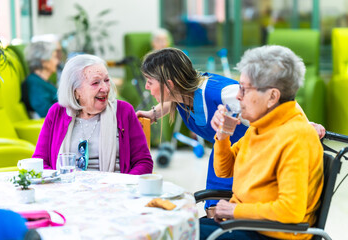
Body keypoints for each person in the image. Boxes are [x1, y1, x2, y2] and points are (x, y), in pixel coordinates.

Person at [136, 47, 325, 216]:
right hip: (225, 152)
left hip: (252, 159)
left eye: (149, 82)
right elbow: (171, 102)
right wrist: (153, 114)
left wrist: (305, 124)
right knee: (214, 212)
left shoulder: (224, 93)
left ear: (169, 84)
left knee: (227, 214)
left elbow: (282, 100)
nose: (146, 87)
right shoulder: (181, 95)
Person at [200, 45, 324, 240]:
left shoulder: (297, 136)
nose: (238, 96)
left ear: (272, 96)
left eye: (244, 89)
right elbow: (224, 171)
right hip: (243, 224)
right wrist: (223, 137)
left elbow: (290, 211)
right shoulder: (259, 128)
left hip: (271, 234)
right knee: (179, 226)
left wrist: (235, 211)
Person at [33, 54, 153, 174]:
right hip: (68, 188)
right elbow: (40, 161)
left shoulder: (123, 111)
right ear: (76, 91)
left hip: (113, 188)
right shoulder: (57, 113)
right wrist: (60, 183)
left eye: (106, 80)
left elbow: (143, 162)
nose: (105, 88)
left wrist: (122, 186)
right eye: (95, 83)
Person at [22, 41, 59, 118]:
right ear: (44, 62)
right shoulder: (34, 83)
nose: (57, 61)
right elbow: (45, 112)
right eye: (54, 57)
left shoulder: (43, 81)